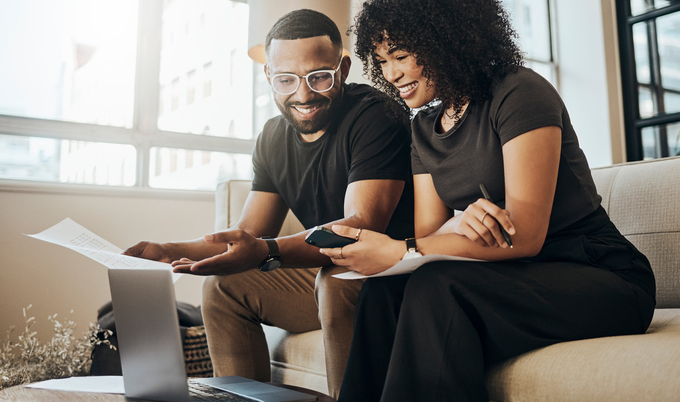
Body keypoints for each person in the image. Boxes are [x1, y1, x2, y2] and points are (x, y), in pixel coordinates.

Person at [318, 0, 657, 401]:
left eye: (401, 56)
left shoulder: (518, 90)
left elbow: (527, 235)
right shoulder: (424, 129)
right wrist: (458, 221)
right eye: (382, 61)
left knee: (436, 287)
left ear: (443, 40)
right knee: (382, 294)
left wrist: (398, 249)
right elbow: (430, 236)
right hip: (517, 277)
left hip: (598, 272)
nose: (392, 74)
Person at [124, 9, 414, 398]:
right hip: (330, 277)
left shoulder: (376, 116)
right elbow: (247, 236)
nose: (303, 93)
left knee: (336, 279)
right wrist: (168, 250)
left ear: (342, 69)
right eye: (286, 80)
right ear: (268, 76)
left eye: (319, 77)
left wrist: (265, 250)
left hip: (394, 277)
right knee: (222, 287)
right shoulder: (273, 137)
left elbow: (356, 228)